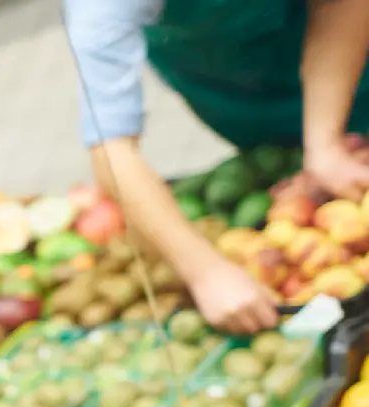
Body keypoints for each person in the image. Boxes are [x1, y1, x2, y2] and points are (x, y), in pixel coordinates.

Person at [64, 0, 369, 333]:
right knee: (277, 161)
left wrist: (324, 143)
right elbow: (112, 150)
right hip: (230, 82)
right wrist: (206, 272)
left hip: (344, 49)